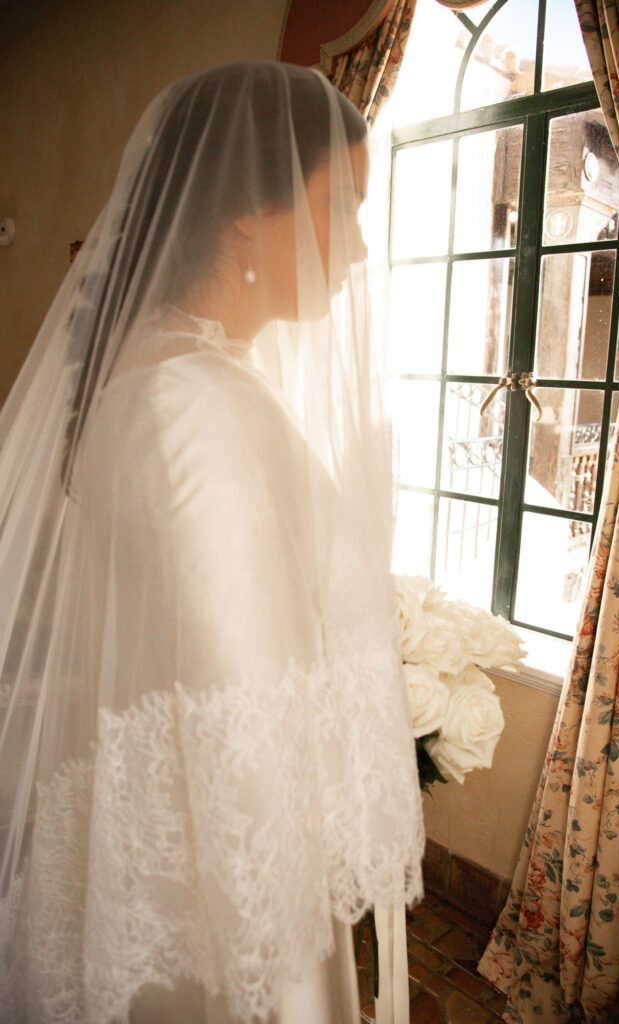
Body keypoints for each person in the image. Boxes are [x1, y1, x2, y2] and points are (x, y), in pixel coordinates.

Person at [0, 61, 424, 1023]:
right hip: (227, 904)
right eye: (343, 206)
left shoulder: (158, 373)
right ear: (247, 214)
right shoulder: (193, 406)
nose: (357, 247)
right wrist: (284, 985)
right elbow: (244, 712)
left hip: (166, 855)